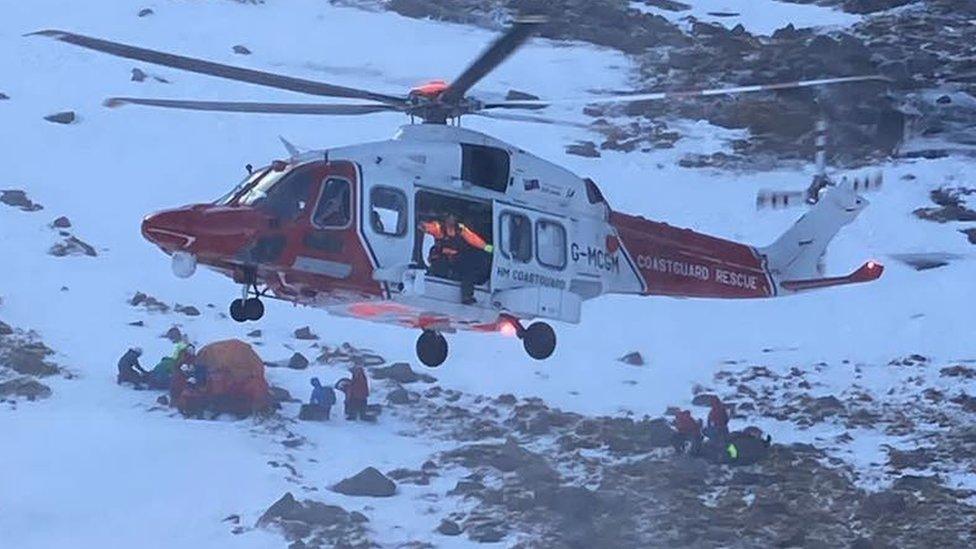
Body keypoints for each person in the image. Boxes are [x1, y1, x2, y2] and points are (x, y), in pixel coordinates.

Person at [419, 213, 493, 305]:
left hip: (457, 259)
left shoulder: (461, 230)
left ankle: (467, 296)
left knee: (468, 271)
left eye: (454, 216)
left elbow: (473, 239)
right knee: (439, 266)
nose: (452, 219)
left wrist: (487, 247)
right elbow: (429, 227)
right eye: (450, 216)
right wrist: (424, 225)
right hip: (442, 258)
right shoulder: (439, 228)